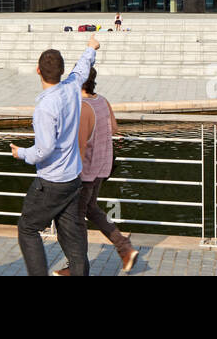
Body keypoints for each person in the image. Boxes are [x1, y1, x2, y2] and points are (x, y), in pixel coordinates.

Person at [10, 33, 98, 276]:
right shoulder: (71, 87)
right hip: (73, 179)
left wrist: (21, 154)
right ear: (61, 72)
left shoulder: (45, 107)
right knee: (72, 236)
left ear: (38, 70)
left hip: (51, 182)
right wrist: (91, 48)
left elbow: (44, 150)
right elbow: (82, 69)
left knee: (27, 228)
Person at [53, 67, 139, 275]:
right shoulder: (102, 100)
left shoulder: (82, 107)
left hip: (85, 171)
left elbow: (81, 146)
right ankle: (124, 247)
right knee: (91, 209)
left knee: (75, 218)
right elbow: (114, 129)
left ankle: (76, 268)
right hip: (102, 166)